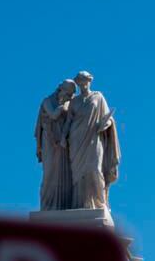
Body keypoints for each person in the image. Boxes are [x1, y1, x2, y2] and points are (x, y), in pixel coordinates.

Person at [61, 71, 120, 209]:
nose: (83, 84)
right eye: (80, 81)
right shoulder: (74, 101)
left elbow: (108, 118)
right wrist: (64, 136)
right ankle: (80, 203)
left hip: (94, 137)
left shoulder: (98, 97)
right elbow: (69, 120)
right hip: (76, 139)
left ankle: (100, 202)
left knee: (94, 168)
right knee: (77, 173)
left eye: (85, 81)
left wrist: (105, 124)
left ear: (89, 81)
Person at [35, 79, 76, 210]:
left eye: (70, 95)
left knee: (64, 172)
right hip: (50, 141)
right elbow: (53, 115)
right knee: (50, 171)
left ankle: (63, 204)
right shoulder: (47, 101)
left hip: (63, 143)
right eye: (68, 93)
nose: (69, 97)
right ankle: (48, 204)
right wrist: (63, 108)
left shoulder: (69, 102)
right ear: (61, 90)